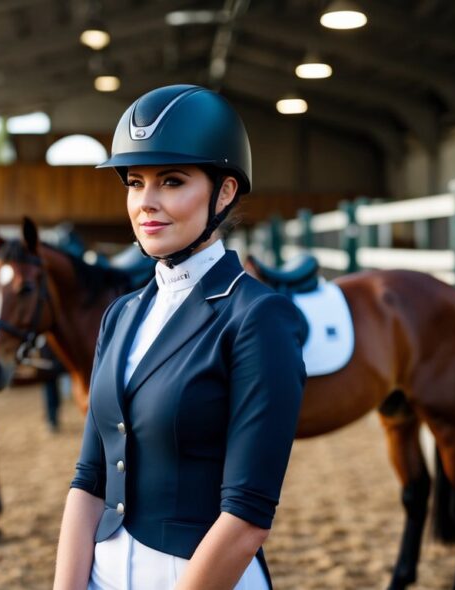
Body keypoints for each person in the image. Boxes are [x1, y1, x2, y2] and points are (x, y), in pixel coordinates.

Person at [53, 85, 306, 590]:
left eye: (171, 181)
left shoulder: (258, 317)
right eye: (135, 182)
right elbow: (89, 479)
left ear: (226, 191)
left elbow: (247, 518)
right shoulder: (121, 314)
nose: (146, 203)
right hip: (102, 573)